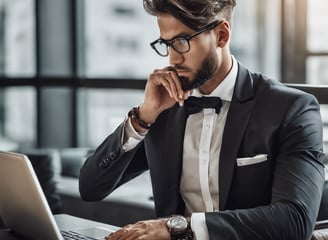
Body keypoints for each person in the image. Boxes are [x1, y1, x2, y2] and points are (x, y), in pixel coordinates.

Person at [79, 0, 325, 239]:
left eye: (182, 42)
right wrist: (143, 116)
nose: (173, 59)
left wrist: (179, 228)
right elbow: (91, 188)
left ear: (221, 35)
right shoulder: (164, 108)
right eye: (166, 44)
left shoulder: (291, 109)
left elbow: (295, 222)